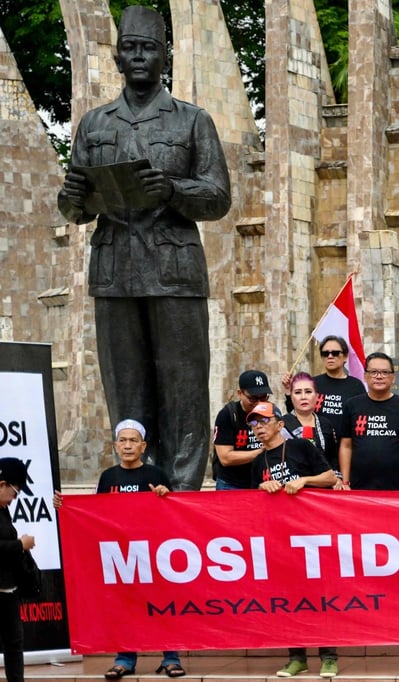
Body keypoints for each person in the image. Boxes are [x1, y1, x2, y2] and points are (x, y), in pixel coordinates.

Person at [56, 6, 231, 491]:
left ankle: (181, 493)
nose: (137, 56)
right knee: (125, 387)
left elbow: (218, 197)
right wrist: (72, 197)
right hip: (114, 272)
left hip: (175, 273)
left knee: (183, 387)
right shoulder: (94, 124)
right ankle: (135, 485)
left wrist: (172, 190)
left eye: (148, 48)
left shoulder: (192, 121)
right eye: (129, 48)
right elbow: (73, 210)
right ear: (117, 57)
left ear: (164, 56)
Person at [53, 421, 183, 679]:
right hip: (120, 555)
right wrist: (67, 507)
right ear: (115, 446)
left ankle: (171, 658)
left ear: (143, 446)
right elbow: (95, 514)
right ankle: (124, 659)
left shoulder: (156, 475)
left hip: (153, 552)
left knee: (163, 605)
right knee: (124, 606)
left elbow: (173, 511)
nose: (127, 446)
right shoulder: (108, 477)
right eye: (122, 440)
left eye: (133, 441)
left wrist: (164, 496)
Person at [246, 403, 337, 677]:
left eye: (264, 421)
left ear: (280, 424)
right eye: (254, 424)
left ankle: (329, 657)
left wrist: (304, 481)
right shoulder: (257, 462)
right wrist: (262, 487)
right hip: (279, 537)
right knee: (288, 598)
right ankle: (297, 657)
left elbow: (330, 477)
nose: (259, 428)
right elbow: (251, 503)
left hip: (312, 533)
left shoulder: (300, 447)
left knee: (320, 597)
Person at [337, 352, 399, 491]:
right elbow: (346, 446)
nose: (379, 376)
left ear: (393, 377)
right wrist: (345, 482)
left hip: (397, 489)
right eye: (373, 372)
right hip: (358, 489)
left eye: (385, 372)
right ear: (365, 376)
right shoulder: (352, 405)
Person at [282, 336, 366, 436]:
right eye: (325, 353)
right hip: (316, 442)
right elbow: (296, 413)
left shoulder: (356, 386)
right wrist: (289, 391)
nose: (330, 356)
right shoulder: (313, 384)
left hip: (346, 442)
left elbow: (362, 418)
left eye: (335, 353)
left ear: (345, 357)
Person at [0, 458, 34, 682]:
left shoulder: (3, 510)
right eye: (15, 492)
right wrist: (20, 545)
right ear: (2, 484)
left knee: (14, 642)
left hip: (8, 589)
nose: (14, 499)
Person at [212, 370, 272, 490]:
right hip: (231, 484)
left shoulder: (270, 412)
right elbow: (225, 458)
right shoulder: (228, 415)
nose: (259, 403)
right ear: (240, 393)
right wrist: (260, 453)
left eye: (263, 398)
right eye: (253, 398)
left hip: (262, 482)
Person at [282, 372, 340, 473]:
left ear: (317, 396)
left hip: (324, 480)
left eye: (308, 392)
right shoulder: (282, 424)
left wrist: (337, 477)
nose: (303, 397)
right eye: (297, 392)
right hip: (293, 480)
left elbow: (333, 457)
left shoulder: (325, 424)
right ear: (291, 396)